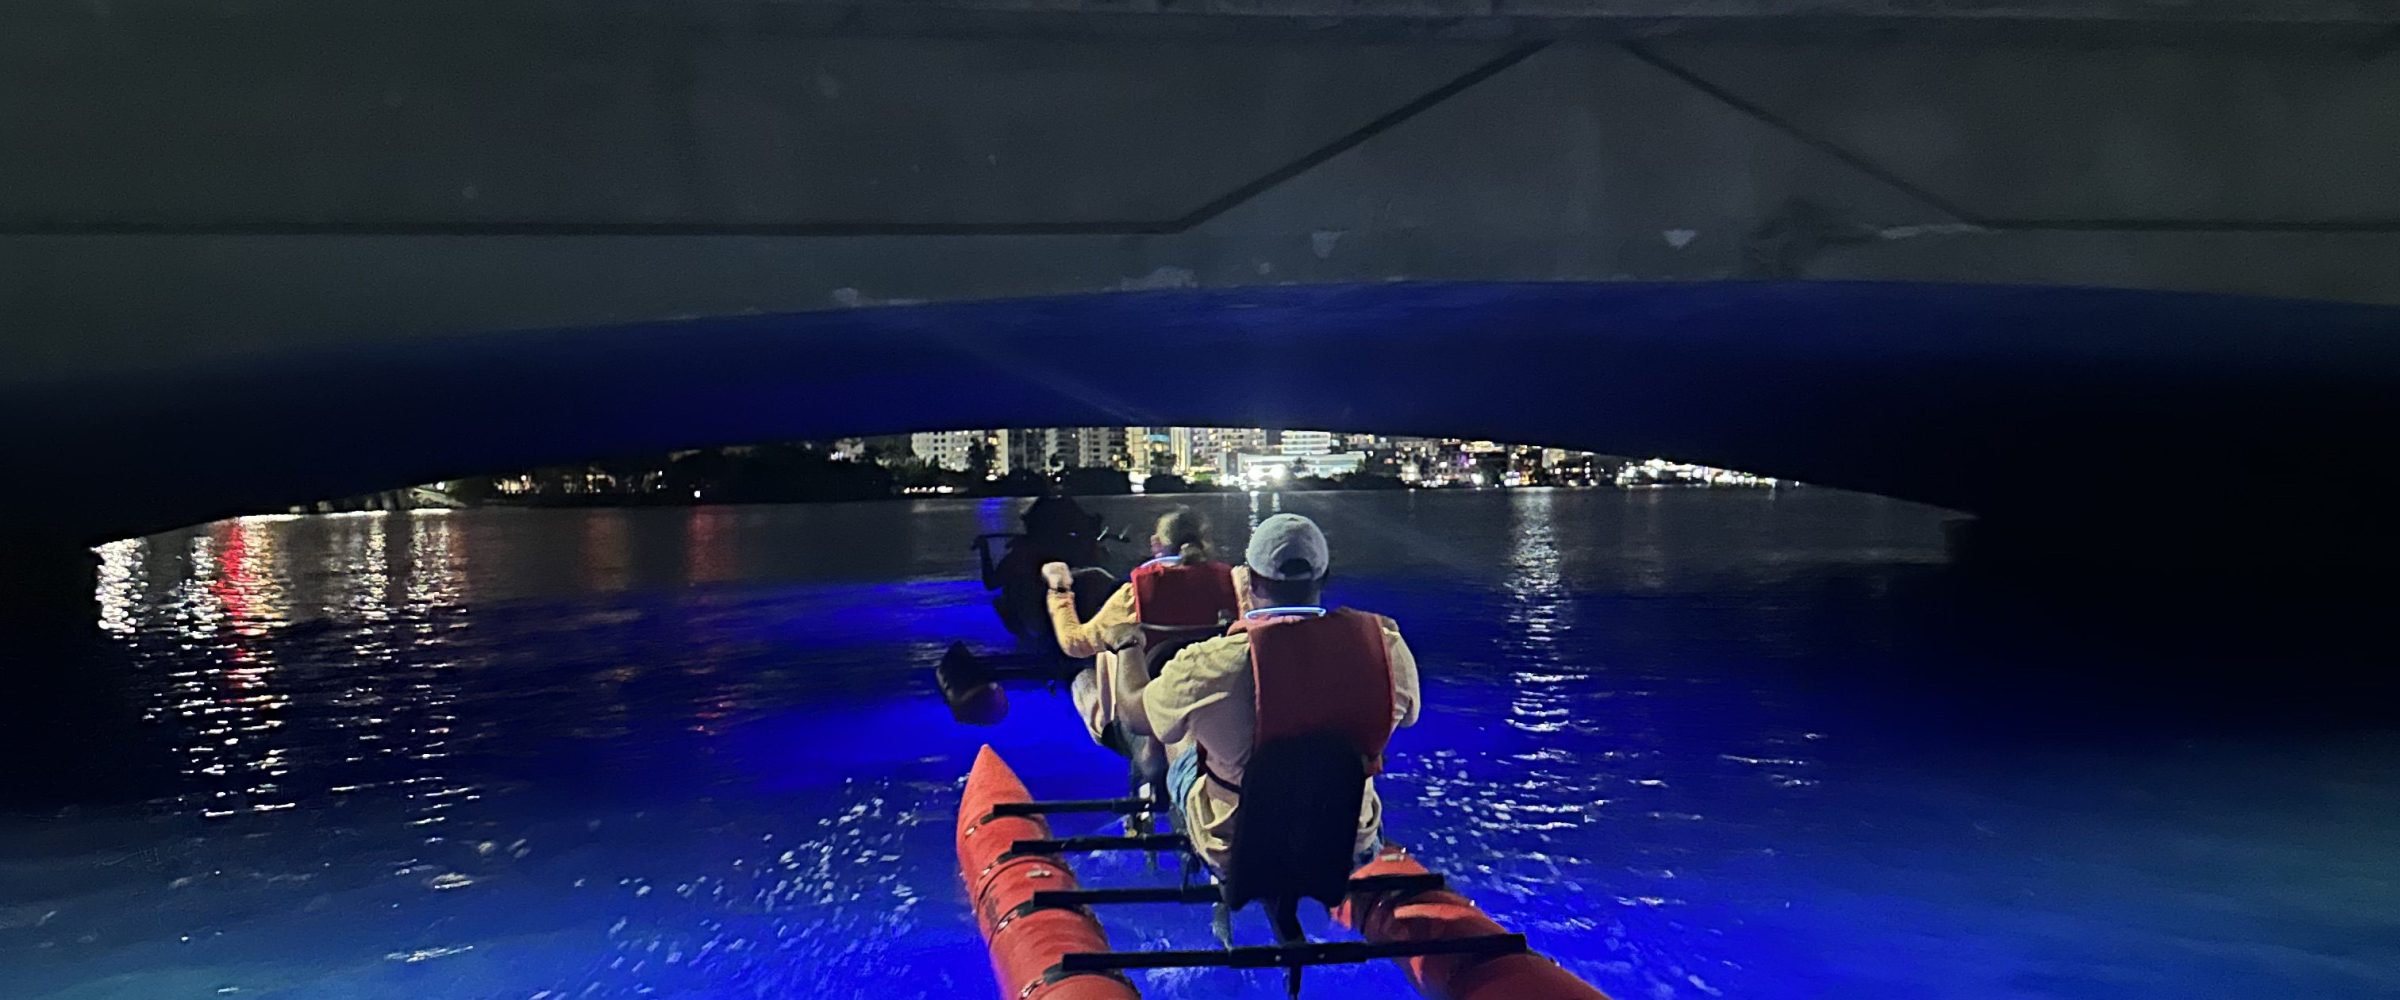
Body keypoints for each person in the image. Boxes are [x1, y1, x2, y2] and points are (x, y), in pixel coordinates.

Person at [1143, 513, 1420, 875]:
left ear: (1250, 580)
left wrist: (1128, 648)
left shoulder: (1210, 663)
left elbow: (1139, 715)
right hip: (1347, 845)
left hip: (1236, 850)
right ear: (1324, 577)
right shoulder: (1386, 648)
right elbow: (1410, 715)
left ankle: (1179, 827)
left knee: (1182, 731)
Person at [1040, 509, 1242, 771]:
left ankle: (1106, 727)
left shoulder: (1132, 595)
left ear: (1156, 543)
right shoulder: (1233, 585)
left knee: (1085, 678)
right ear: (1206, 541)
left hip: (1145, 716)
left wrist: (1060, 589)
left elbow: (1074, 644)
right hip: (1213, 708)